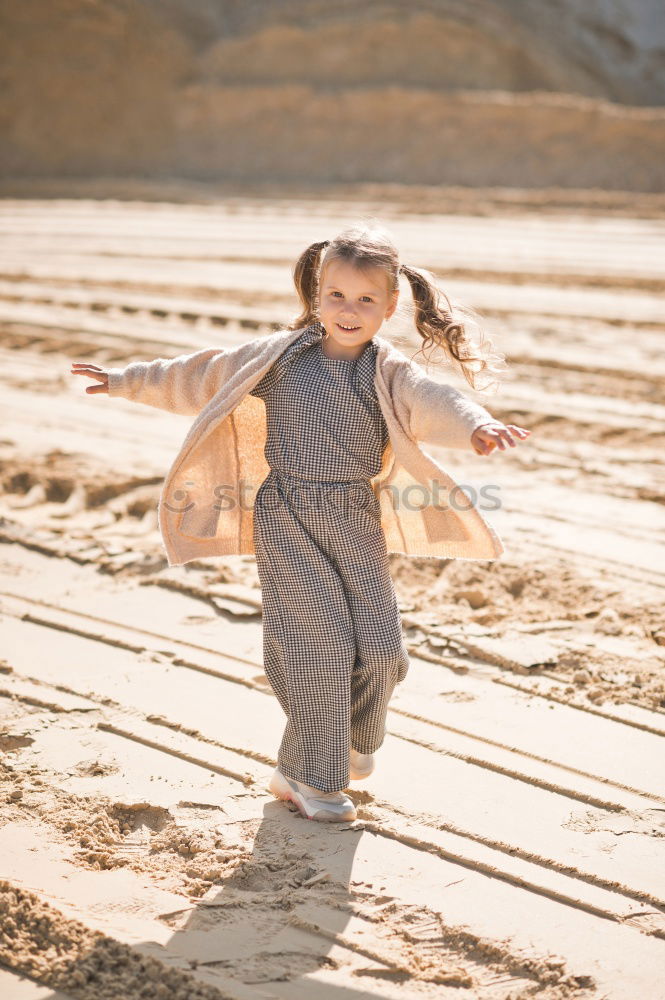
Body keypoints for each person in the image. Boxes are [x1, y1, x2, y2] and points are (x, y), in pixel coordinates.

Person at [71, 222, 530, 825]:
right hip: (287, 514)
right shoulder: (280, 359)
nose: (349, 310)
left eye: (366, 299)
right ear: (317, 296)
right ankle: (308, 774)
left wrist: (476, 424)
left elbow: (435, 402)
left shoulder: (388, 371)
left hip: (354, 516)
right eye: (337, 295)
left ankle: (353, 736)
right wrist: (126, 379)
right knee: (320, 646)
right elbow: (200, 375)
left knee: (383, 651)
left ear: (390, 307)